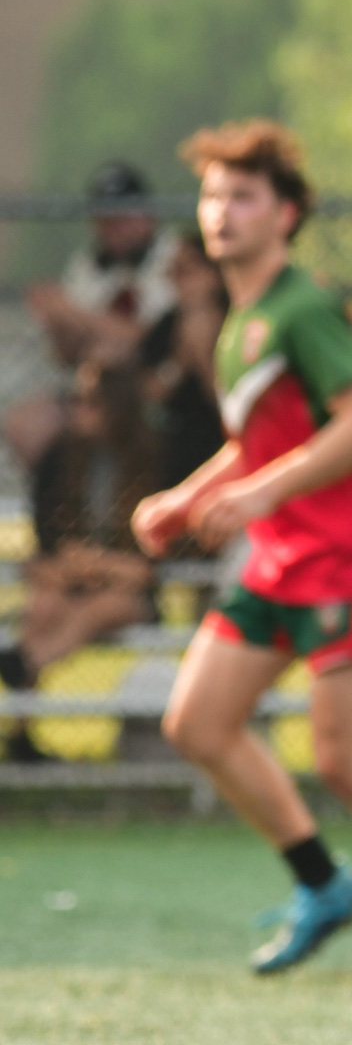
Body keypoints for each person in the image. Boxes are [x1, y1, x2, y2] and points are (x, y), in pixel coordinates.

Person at [131, 120, 352, 978]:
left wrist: (257, 493)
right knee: (197, 722)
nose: (221, 213)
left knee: (346, 762)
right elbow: (253, 444)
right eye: (213, 196)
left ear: (286, 214)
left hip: (350, 560)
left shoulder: (303, 306)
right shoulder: (240, 321)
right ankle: (323, 883)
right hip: (279, 558)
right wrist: (189, 500)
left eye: (243, 197)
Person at [0, 359, 159, 763]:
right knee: (43, 606)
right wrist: (76, 564)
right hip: (72, 580)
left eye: (90, 402)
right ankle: (22, 733)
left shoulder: (148, 459)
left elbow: (147, 561)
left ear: (116, 407)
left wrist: (98, 563)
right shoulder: (61, 458)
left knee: (103, 604)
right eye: (76, 401)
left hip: (125, 587)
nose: (78, 410)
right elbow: (48, 545)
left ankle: (26, 661)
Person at [4, 162, 181, 472]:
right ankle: (62, 513)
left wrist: (73, 313)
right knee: (25, 424)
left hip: (151, 386)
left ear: (147, 215)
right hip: (89, 387)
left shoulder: (174, 256)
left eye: (123, 217)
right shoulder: (86, 266)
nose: (114, 228)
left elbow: (145, 340)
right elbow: (66, 356)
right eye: (106, 219)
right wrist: (55, 319)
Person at [139, 231, 228, 490]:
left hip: (222, 440)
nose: (176, 278)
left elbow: (230, 405)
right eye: (173, 270)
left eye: (186, 270)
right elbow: (150, 393)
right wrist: (180, 359)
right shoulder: (167, 323)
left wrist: (204, 356)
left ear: (214, 274)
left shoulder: (237, 319)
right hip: (176, 439)